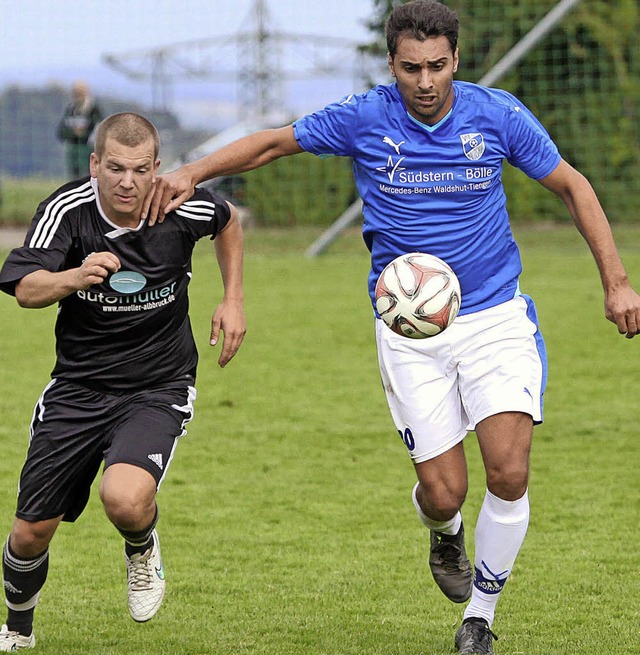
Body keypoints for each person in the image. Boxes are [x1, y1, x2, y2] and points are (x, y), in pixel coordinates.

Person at [145, 1, 640, 653]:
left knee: (509, 470)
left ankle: (479, 619)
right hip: (411, 332)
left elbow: (573, 186)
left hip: (494, 316)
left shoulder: (496, 116)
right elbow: (273, 141)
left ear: (456, 61)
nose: (426, 81)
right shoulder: (364, 118)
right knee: (444, 491)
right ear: (392, 65)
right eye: (412, 68)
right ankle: (444, 530)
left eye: (438, 66)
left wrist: (617, 280)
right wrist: (189, 171)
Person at [0, 112, 245, 651]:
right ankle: (18, 626)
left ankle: (142, 548)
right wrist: (72, 276)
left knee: (125, 497)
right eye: (115, 168)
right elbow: (23, 287)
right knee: (30, 534)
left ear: (156, 168)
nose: (127, 182)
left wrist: (232, 299)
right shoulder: (68, 211)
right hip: (79, 388)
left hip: (159, 385)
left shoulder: (179, 204)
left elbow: (227, 220)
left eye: (139, 169)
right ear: (95, 165)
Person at [57, 80, 103, 178]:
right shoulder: (70, 110)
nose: (78, 95)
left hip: (88, 148)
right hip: (73, 149)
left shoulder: (93, 110)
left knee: (89, 174)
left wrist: (83, 135)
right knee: (74, 175)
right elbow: (62, 131)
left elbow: (98, 128)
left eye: (80, 92)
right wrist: (74, 134)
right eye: (76, 92)